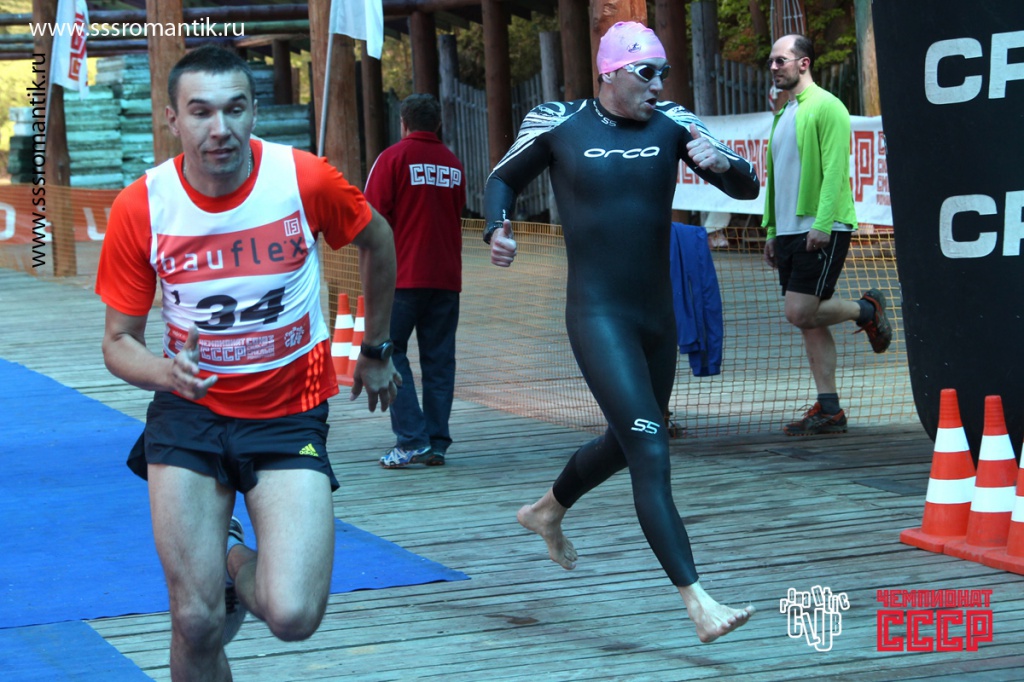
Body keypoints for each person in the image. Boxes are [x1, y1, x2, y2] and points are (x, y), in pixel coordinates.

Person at [95, 45, 400, 681]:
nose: (220, 129)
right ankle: (215, 583)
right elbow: (118, 341)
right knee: (196, 621)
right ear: (172, 120)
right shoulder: (142, 205)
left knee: (293, 615)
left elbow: (378, 238)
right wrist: (166, 374)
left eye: (235, 109)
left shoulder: (303, 179)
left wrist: (375, 348)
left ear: (254, 112)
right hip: (190, 416)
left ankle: (232, 560)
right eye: (200, 112)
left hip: (287, 414)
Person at [485, 21, 758, 643]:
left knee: (628, 438)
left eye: (664, 73)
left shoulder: (676, 122)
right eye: (646, 73)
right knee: (651, 448)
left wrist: (725, 163)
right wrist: (498, 226)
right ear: (609, 73)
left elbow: (748, 184)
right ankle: (699, 602)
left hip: (656, 318)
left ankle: (547, 510)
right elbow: (503, 178)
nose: (658, 85)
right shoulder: (558, 121)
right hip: (598, 314)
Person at [761, 34, 893, 436]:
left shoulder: (827, 105)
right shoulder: (784, 113)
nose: (773, 67)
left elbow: (837, 168)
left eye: (781, 60)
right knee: (809, 320)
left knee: (799, 312)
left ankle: (866, 309)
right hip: (789, 230)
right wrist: (771, 229)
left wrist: (823, 222)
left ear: (804, 63)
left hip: (821, 226)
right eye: (771, 60)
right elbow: (777, 178)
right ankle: (830, 409)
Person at [364, 94, 466, 469]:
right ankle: (436, 442)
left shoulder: (391, 159)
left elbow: (369, 218)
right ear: (437, 124)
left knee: (390, 352)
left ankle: (411, 439)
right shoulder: (454, 164)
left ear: (403, 123)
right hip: (446, 278)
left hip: (402, 277)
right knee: (439, 362)